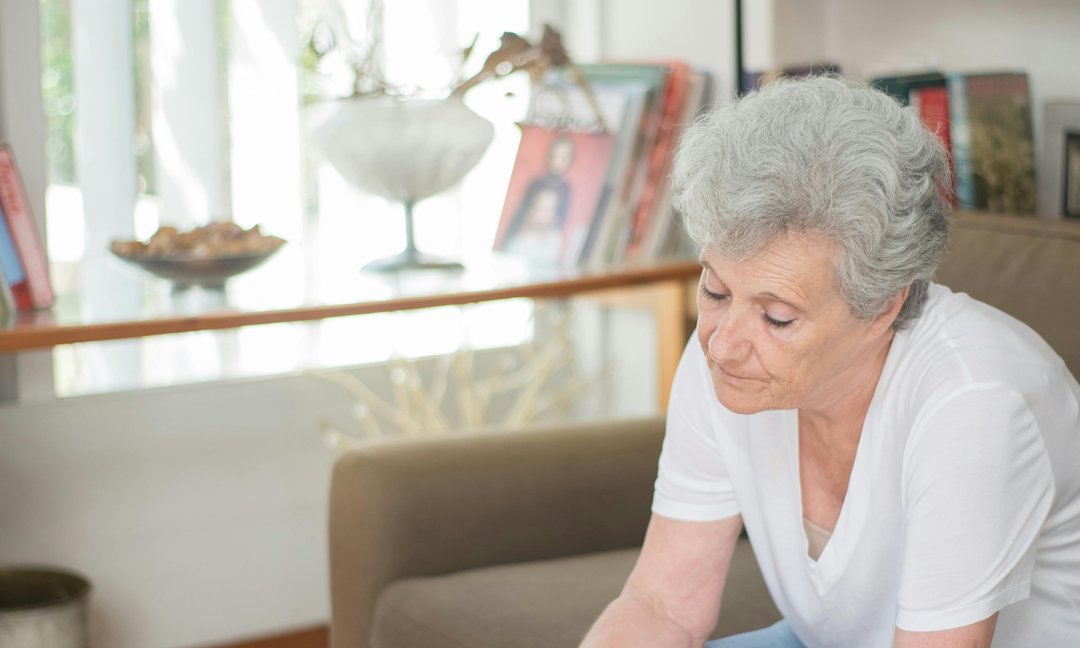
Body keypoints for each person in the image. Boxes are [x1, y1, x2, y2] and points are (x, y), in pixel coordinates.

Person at [580, 76, 1080, 647]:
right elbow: (661, 607)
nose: (721, 344)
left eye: (778, 318)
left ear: (882, 307)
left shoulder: (975, 405)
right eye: (715, 291)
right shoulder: (726, 356)